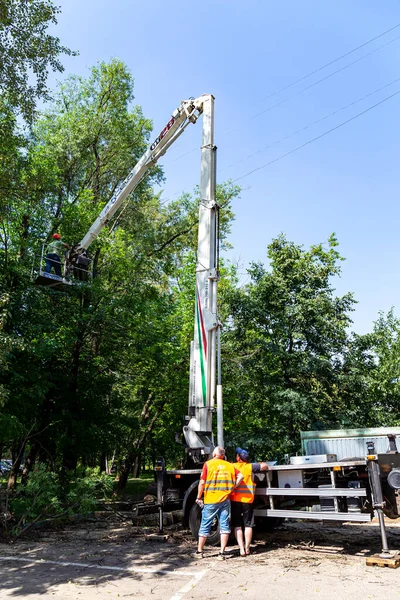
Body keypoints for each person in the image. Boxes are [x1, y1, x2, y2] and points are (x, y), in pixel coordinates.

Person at [194, 446, 243, 560]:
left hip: (211, 499)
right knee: (225, 525)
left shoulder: (208, 464)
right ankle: (221, 553)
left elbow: (202, 482)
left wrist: (199, 496)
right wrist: (233, 486)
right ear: (223, 455)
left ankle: (199, 551)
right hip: (225, 499)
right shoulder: (230, 465)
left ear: (214, 454)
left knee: (205, 525)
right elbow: (240, 476)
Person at [230, 447, 269, 556]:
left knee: (237, 525)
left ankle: (241, 549)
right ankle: (247, 548)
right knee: (248, 525)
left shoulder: (232, 466)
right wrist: (260, 463)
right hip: (248, 500)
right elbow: (265, 466)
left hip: (235, 500)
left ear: (238, 458)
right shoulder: (250, 467)